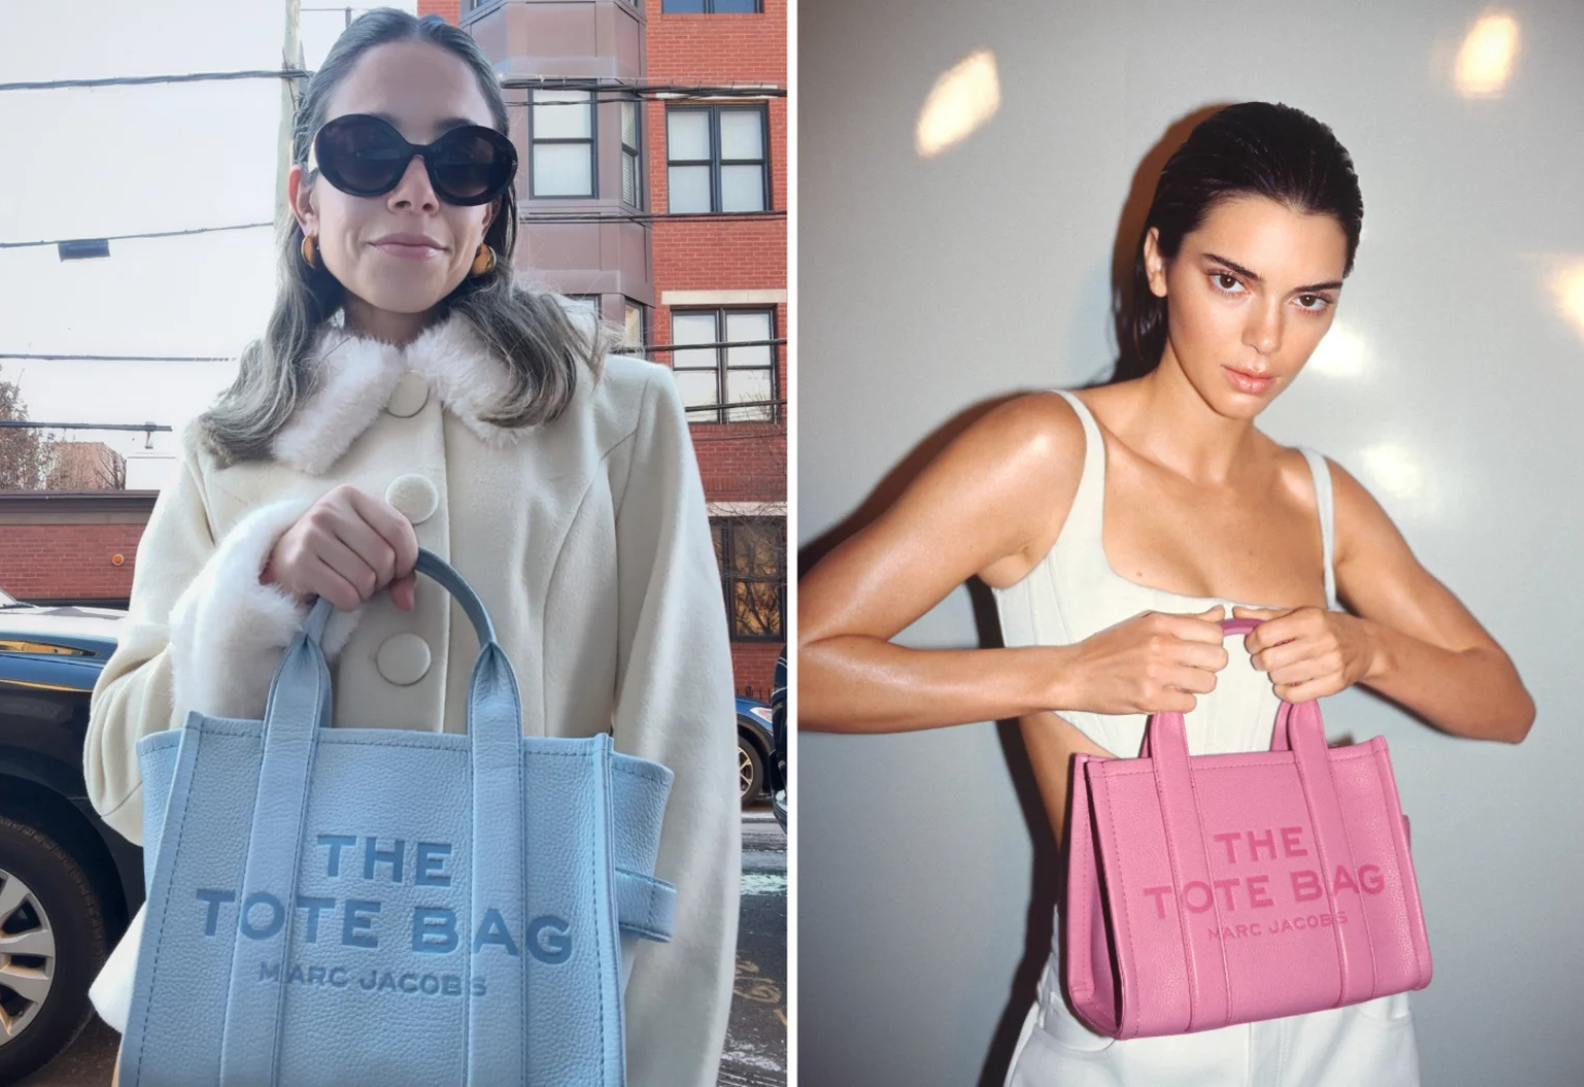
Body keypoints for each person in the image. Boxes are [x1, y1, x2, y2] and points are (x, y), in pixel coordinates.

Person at [798, 101, 1533, 1086]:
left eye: (1311, 299)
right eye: (1230, 281)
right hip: (1137, 1017)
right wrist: (1067, 672)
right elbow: (794, 665)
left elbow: (1507, 705)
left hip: (1342, 1004)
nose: (1267, 337)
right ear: (1159, 263)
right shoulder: (1046, 451)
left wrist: (1371, 651)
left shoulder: (1317, 495)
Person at [83, 10, 739, 1085]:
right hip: (249, 1020)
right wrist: (254, 594)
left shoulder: (621, 416)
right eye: (368, 150)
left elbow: (689, 791)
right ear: (306, 195)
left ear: (492, 208)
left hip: (519, 1026)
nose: (414, 187)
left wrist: (655, 1061)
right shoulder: (226, 444)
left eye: (463, 159)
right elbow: (123, 782)